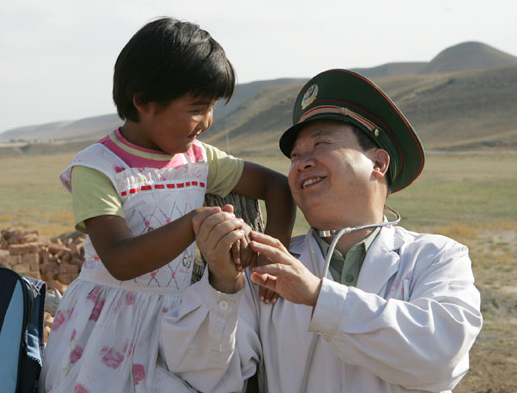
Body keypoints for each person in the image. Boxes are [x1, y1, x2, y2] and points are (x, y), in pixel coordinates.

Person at [160, 69, 483, 392]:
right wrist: (222, 286)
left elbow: (441, 359)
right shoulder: (265, 270)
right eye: (296, 156)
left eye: (321, 145)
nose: (301, 163)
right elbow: (201, 373)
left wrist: (317, 296)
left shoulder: (436, 257)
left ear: (379, 163)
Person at [39, 17, 295, 393]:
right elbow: (120, 260)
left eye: (212, 107)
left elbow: (277, 186)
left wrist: (273, 253)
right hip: (108, 328)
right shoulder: (97, 168)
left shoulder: (198, 159)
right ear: (143, 101)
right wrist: (195, 223)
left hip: (180, 322)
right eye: (196, 107)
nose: (207, 121)